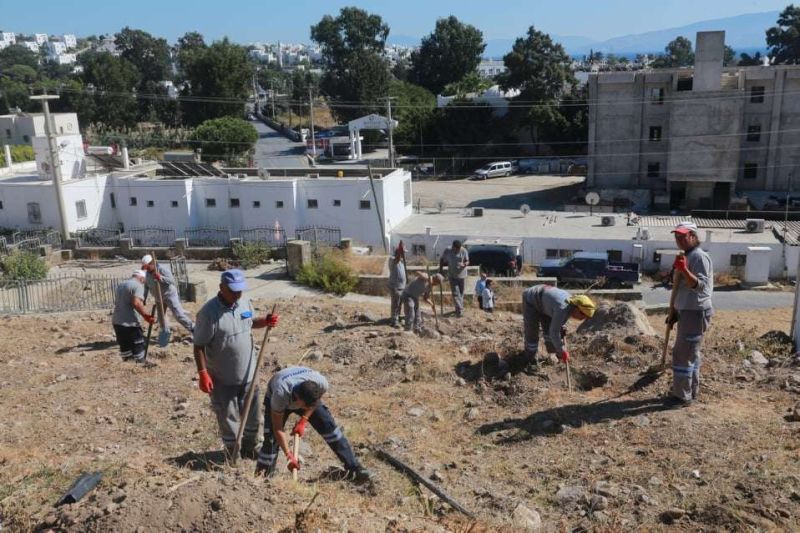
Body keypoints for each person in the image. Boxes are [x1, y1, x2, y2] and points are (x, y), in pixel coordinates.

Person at [192, 269, 280, 461]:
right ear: (221, 288)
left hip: (249, 373)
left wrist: (264, 321)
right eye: (233, 290)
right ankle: (232, 453)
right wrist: (202, 373)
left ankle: (250, 448)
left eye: (240, 290)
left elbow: (249, 323)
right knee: (229, 419)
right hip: (223, 379)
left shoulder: (243, 302)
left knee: (254, 418)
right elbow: (198, 345)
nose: (237, 294)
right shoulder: (208, 314)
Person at [255, 366, 372, 483]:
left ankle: (355, 468)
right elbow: (278, 428)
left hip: (303, 393)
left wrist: (304, 420)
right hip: (279, 396)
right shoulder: (280, 394)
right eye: (307, 406)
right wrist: (288, 455)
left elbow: (314, 403)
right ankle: (263, 476)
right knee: (271, 439)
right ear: (298, 400)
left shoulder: (321, 383)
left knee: (328, 426)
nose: (309, 408)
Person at [665, 221, 714, 408]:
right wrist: (675, 312)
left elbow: (699, 286)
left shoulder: (699, 257)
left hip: (696, 311)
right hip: (687, 311)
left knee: (682, 354)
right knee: (690, 354)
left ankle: (682, 396)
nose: (679, 240)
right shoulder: (687, 255)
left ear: (693, 236)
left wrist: (684, 269)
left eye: (683, 236)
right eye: (676, 237)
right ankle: (689, 392)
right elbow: (681, 288)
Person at [522, 285, 596, 365]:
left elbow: (558, 321)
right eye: (583, 316)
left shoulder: (571, 303)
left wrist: (561, 326)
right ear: (577, 310)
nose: (582, 319)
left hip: (544, 303)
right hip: (531, 299)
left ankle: (552, 355)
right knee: (532, 332)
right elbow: (554, 332)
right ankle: (530, 360)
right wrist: (562, 351)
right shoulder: (562, 307)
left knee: (549, 329)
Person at [141, 254, 194, 334]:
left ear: (152, 263)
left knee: (179, 316)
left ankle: (194, 329)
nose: (146, 269)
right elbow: (146, 286)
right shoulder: (148, 274)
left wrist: (161, 278)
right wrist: (144, 298)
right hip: (159, 298)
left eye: (147, 267)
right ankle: (165, 332)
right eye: (145, 268)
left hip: (169, 295)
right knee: (161, 318)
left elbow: (172, 281)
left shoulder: (162, 269)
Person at [112, 270, 155, 362]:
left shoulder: (121, 284)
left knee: (125, 347)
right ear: (142, 278)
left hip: (117, 321)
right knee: (138, 345)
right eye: (144, 281)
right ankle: (140, 364)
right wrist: (146, 316)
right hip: (130, 322)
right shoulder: (137, 285)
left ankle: (128, 366)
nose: (144, 283)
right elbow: (136, 303)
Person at [439, 240, 469, 317]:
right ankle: (460, 310)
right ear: (453, 247)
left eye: (459, 249)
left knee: (461, 293)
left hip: (462, 275)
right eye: (456, 249)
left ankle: (458, 309)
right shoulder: (448, 250)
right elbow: (442, 259)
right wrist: (441, 269)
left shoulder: (464, 251)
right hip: (452, 275)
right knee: (455, 293)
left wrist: (464, 264)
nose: (458, 251)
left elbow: (467, 261)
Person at [387, 245, 407, 327]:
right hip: (395, 286)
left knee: (399, 304)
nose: (404, 254)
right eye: (403, 253)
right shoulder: (392, 259)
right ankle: (394, 321)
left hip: (401, 287)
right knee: (395, 304)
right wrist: (400, 251)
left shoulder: (401, 262)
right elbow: (396, 259)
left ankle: (397, 318)